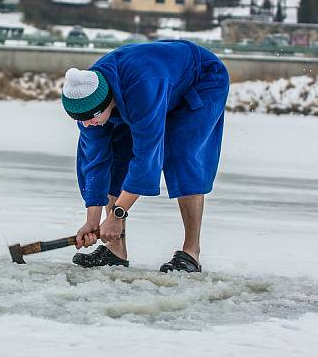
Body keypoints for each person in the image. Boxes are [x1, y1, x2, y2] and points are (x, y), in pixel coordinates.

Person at [61, 40, 230, 272]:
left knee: (183, 153)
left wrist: (117, 215)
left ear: (106, 102)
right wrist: (93, 218)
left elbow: (148, 156)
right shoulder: (88, 102)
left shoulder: (142, 89)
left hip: (200, 79)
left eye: (92, 117)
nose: (87, 124)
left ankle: (191, 252)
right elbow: (95, 162)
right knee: (114, 158)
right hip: (147, 87)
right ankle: (115, 251)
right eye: (81, 120)